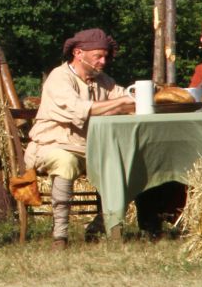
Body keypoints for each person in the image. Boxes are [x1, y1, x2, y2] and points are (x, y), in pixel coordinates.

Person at [23, 28, 134, 249]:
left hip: (90, 149)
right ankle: (60, 236)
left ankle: (101, 225)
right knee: (65, 161)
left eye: (105, 57)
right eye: (98, 56)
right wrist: (121, 104)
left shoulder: (103, 80)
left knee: (128, 162)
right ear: (78, 53)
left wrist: (146, 95)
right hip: (52, 145)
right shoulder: (59, 77)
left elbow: (126, 97)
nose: (103, 61)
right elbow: (79, 109)